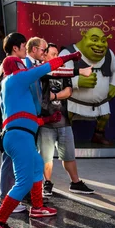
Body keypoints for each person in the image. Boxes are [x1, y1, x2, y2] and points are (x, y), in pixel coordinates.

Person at [0, 50, 82, 228]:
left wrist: (47, 120)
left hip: (20, 135)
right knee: (23, 182)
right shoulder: (18, 78)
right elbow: (48, 67)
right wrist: (71, 57)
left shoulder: (10, 86)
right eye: (22, 64)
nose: (26, 66)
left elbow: (23, 118)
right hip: (20, 137)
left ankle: (37, 207)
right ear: (17, 67)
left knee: (38, 166)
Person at [39, 44, 94, 196]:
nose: (57, 57)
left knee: (69, 155)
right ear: (44, 55)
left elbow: (68, 91)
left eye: (58, 54)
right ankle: (47, 183)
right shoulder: (41, 70)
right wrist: (81, 71)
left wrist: (54, 96)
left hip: (63, 119)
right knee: (46, 156)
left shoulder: (64, 72)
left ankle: (75, 183)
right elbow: (49, 75)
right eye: (53, 54)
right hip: (46, 120)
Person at [0, 33, 28, 214]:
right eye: (24, 45)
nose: (26, 48)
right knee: (9, 160)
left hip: (13, 119)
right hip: (11, 120)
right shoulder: (11, 63)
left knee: (13, 159)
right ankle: (3, 200)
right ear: (15, 47)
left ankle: (9, 198)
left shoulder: (14, 63)